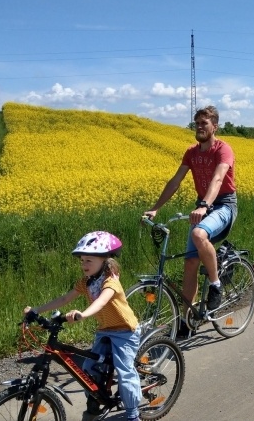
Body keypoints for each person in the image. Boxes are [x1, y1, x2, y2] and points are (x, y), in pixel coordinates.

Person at [23, 231, 142, 421]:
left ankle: (133, 414)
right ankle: (95, 404)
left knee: (125, 371)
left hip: (124, 331)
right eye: (82, 260)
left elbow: (102, 302)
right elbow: (64, 298)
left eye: (89, 261)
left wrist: (82, 314)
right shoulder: (85, 282)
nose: (84, 265)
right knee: (89, 367)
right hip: (104, 330)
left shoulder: (111, 281)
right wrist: (36, 310)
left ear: (104, 260)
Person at [144, 105, 237, 330]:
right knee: (190, 263)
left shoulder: (223, 150)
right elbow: (175, 181)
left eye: (204, 123)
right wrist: (155, 208)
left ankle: (215, 284)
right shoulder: (191, 152)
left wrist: (205, 204)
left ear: (215, 126)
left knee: (198, 233)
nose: (199, 127)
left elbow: (217, 179)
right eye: (196, 123)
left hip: (224, 204)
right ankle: (187, 320)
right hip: (203, 206)